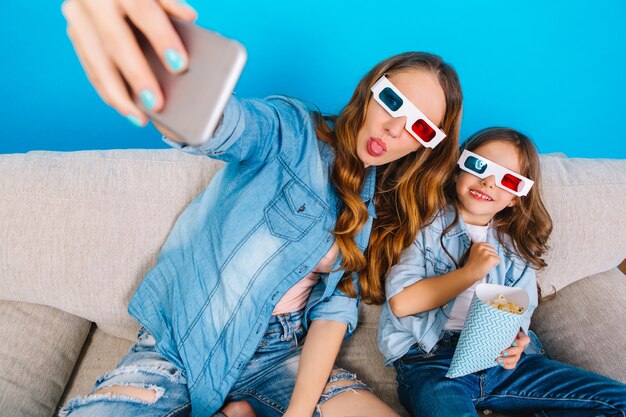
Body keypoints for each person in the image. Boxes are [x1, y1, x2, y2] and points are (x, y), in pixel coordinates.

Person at [59, 1, 464, 416]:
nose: (395, 128)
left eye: (419, 127)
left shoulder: (379, 207)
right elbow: (230, 126)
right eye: (393, 101)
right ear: (370, 89)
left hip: (280, 353)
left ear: (425, 144)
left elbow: (332, 312)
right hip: (181, 345)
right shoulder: (292, 130)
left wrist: (298, 412)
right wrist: (170, 89)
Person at [377, 127, 626, 417]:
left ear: (515, 198)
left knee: (618, 402)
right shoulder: (426, 225)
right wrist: (469, 272)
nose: (488, 182)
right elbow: (402, 303)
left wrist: (519, 339)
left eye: (507, 179)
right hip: (431, 361)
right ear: (458, 169)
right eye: (479, 166)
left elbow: (519, 310)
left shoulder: (517, 247)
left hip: (499, 363)